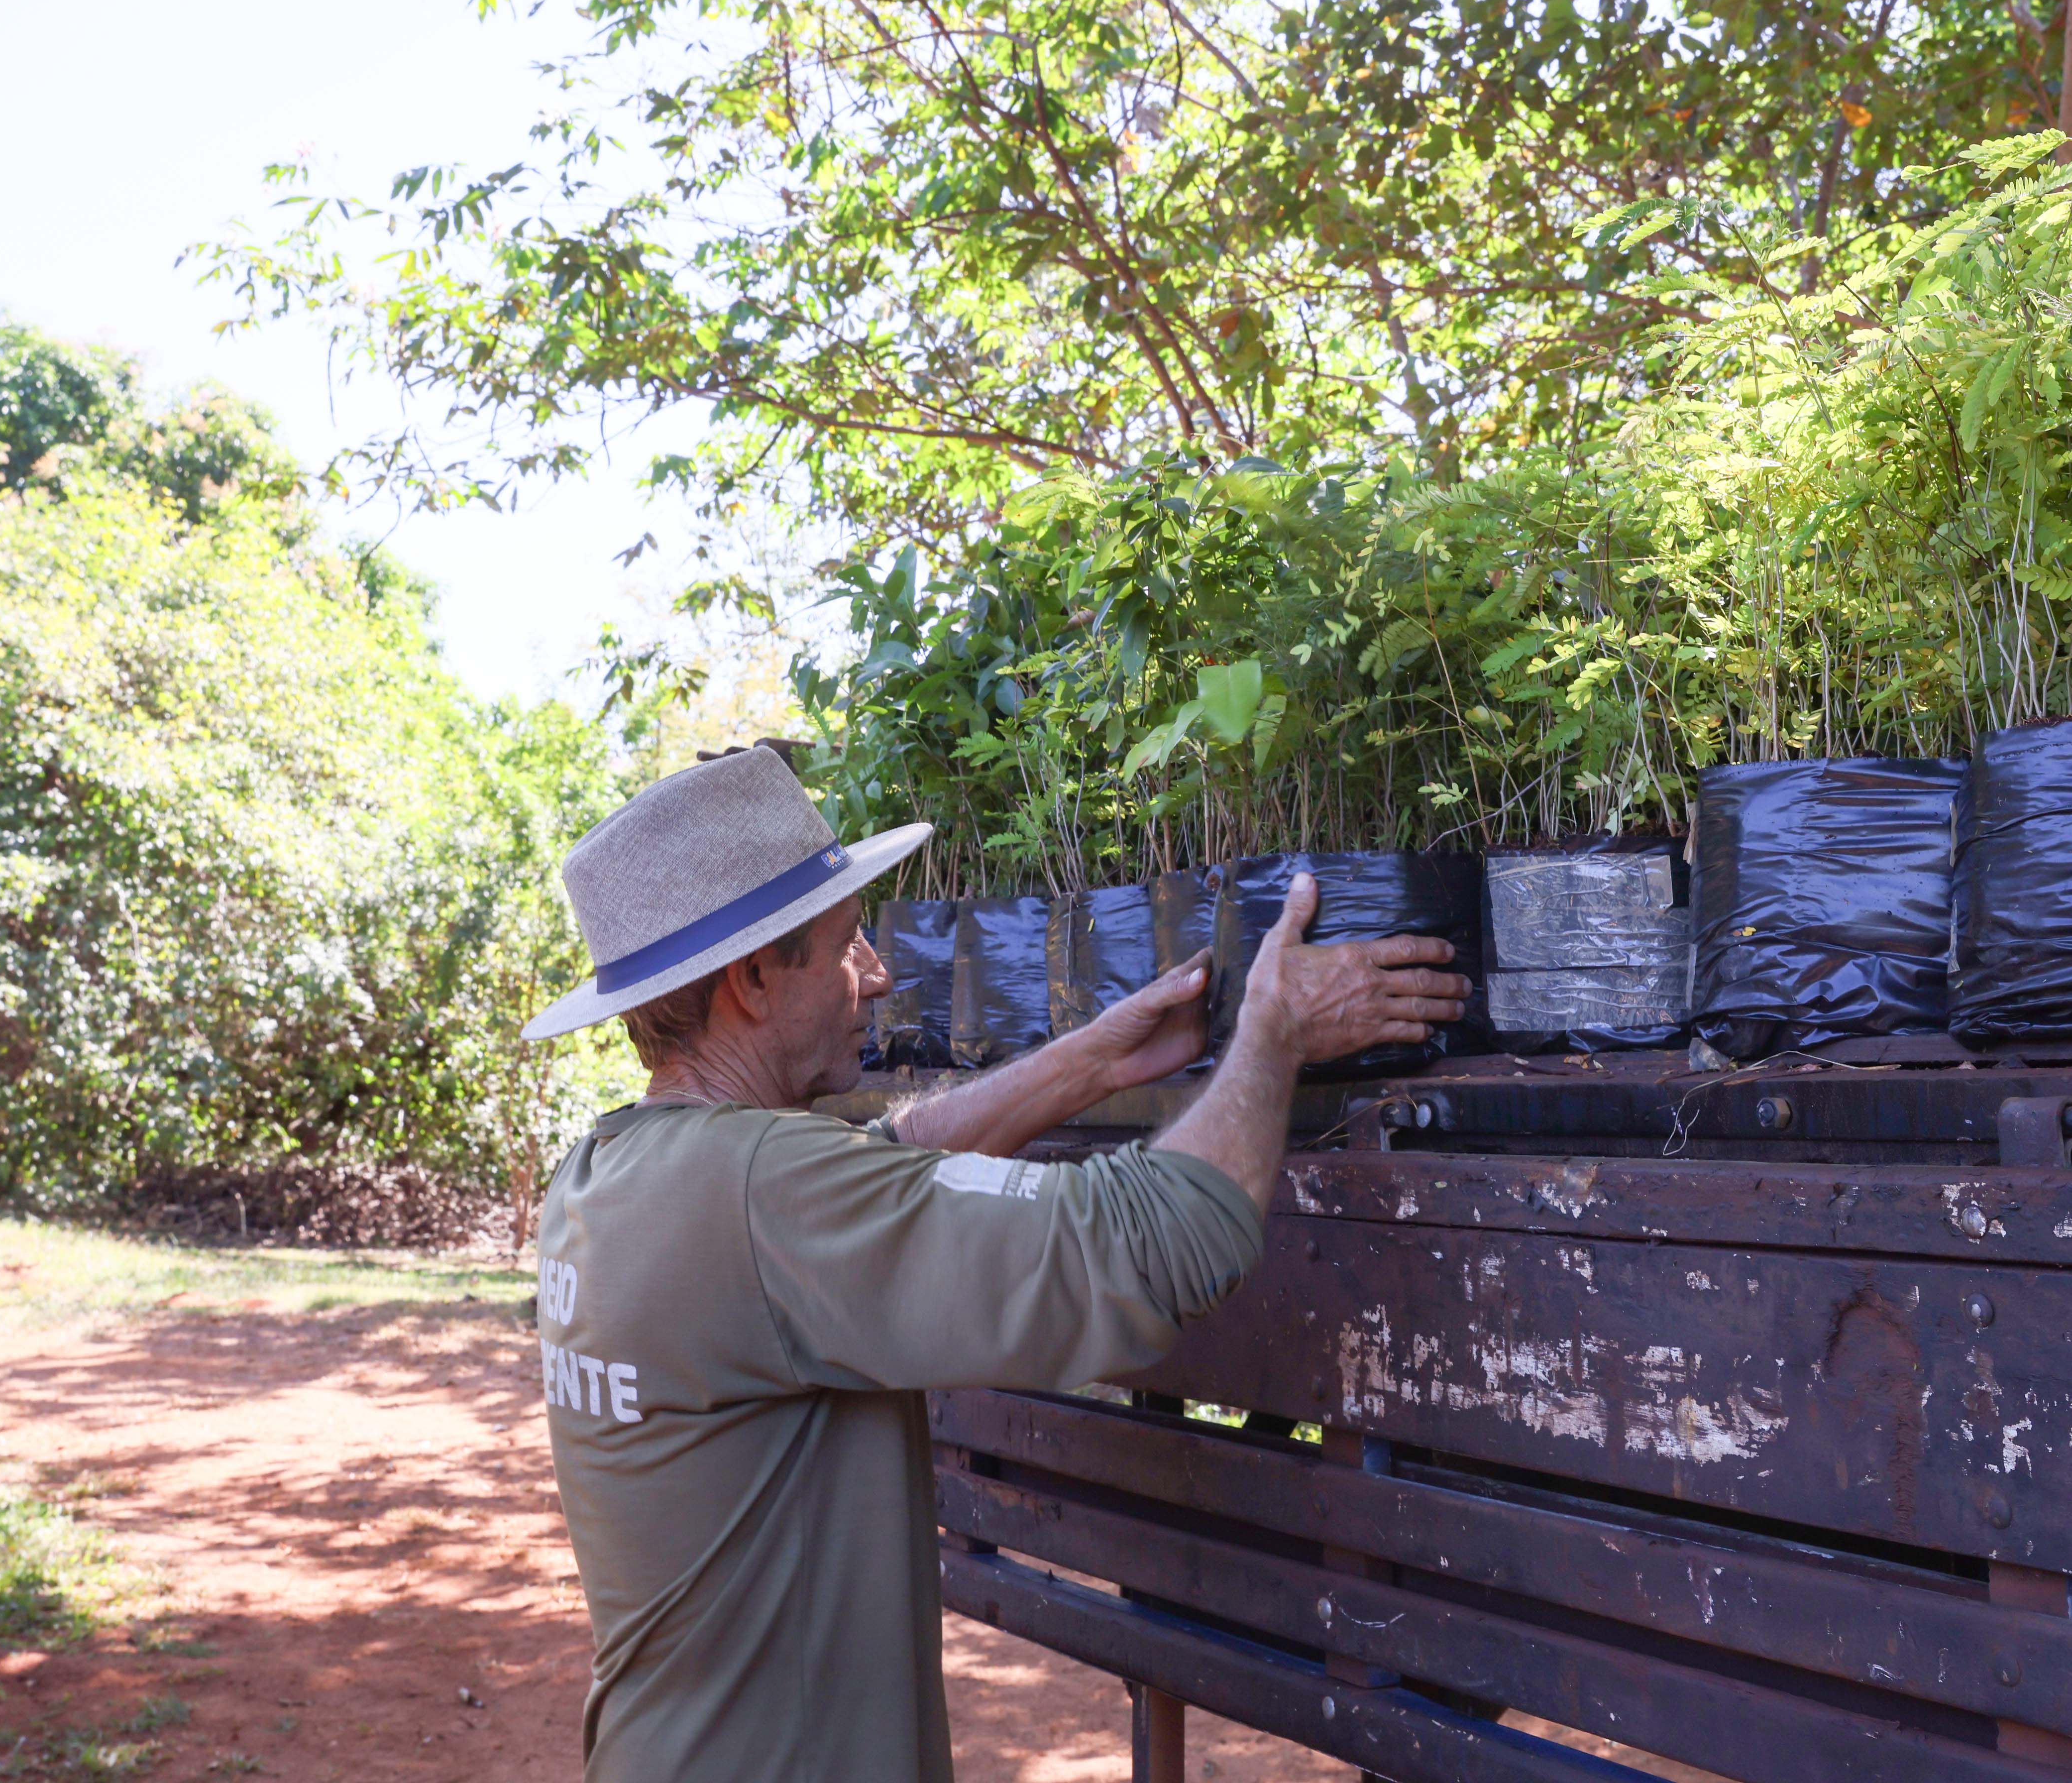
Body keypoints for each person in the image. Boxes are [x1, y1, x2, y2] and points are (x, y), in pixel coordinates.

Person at [520, 747, 1469, 1781]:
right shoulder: (760, 1196)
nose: (878, 975)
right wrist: (1271, 1034)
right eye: (847, 946)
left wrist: (1096, 1058)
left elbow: (870, 1177)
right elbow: (1161, 1242)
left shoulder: (606, 1177)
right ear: (750, 980)